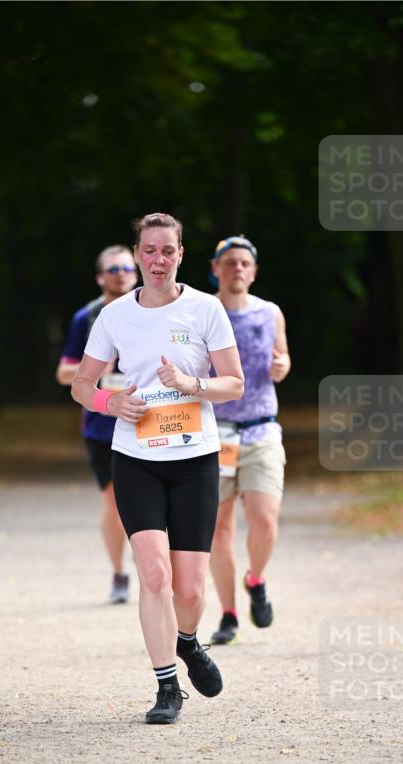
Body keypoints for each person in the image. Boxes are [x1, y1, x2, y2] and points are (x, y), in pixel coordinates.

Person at [71, 212, 244, 723]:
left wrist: (194, 386)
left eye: (167, 250)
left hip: (195, 458)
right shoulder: (115, 316)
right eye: (149, 250)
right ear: (137, 254)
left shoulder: (205, 309)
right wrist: (110, 404)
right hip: (136, 457)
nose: (158, 259)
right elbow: (83, 384)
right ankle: (167, 686)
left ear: (181, 255)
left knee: (190, 588)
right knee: (153, 573)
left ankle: (187, 642)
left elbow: (234, 383)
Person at [207, 236, 291, 645]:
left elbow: (284, 358)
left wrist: (281, 366)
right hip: (213, 432)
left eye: (244, 263)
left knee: (265, 520)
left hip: (260, 429)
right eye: (230, 263)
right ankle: (228, 614)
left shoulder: (270, 312)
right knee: (218, 529)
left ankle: (255, 579)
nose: (237, 269)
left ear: (253, 272)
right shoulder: (203, 312)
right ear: (216, 268)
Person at [56, 246, 138, 603]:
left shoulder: (153, 310)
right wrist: (97, 370)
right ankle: (120, 571)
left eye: (126, 267)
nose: (120, 273)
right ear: (100, 277)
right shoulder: (86, 317)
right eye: (113, 269)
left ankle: (156, 567)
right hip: (101, 425)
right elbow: (63, 373)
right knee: (116, 502)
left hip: (147, 419)